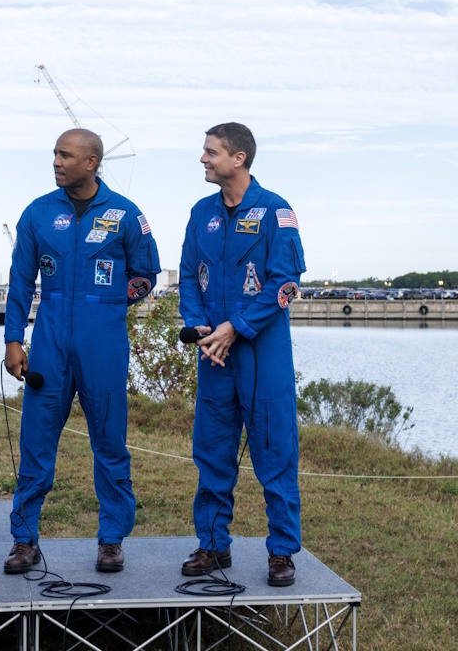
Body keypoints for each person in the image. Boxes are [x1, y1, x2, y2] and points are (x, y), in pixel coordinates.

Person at [2, 128, 160, 574]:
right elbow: (21, 281)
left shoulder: (126, 214)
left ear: (91, 163)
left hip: (103, 343)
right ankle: (24, 540)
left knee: (110, 444)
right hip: (49, 342)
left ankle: (111, 540)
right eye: (55, 153)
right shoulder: (38, 213)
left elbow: (145, 273)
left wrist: (107, 304)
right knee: (36, 443)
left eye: (66, 155)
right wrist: (13, 339)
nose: (56, 162)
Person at [177, 122, 306, 587]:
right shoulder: (201, 213)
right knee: (212, 452)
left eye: (211, 152)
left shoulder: (275, 211)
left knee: (275, 453)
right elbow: (189, 276)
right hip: (214, 355)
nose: (203, 159)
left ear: (239, 159)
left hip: (262, 356)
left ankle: (282, 551)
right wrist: (199, 327)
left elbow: (284, 284)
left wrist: (237, 328)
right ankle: (213, 545)